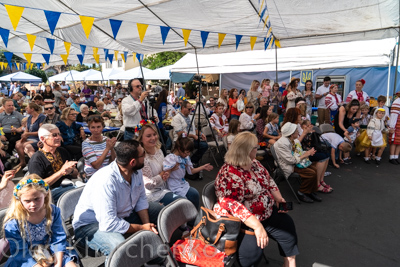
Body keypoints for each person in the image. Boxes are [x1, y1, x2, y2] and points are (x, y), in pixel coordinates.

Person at [214, 132, 298, 267]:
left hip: (266, 212)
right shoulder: (229, 173)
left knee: (288, 228)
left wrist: (278, 197)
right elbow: (233, 206)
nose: (257, 149)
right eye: (255, 147)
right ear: (246, 151)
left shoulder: (254, 163)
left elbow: (269, 181)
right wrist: (257, 226)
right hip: (244, 222)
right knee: (250, 259)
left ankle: (290, 262)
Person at [72, 140, 164, 258]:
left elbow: (141, 199)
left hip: (121, 215)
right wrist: (141, 228)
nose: (145, 157)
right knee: (119, 247)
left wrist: (147, 226)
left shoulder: (136, 170)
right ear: (132, 162)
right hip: (91, 225)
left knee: (160, 211)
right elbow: (108, 223)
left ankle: (152, 256)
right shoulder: (106, 181)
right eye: (143, 155)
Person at [3, 175, 78, 267]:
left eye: (37, 199)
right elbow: (20, 252)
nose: (33, 204)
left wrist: (58, 264)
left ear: (45, 195)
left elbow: (58, 239)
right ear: (19, 200)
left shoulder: (53, 211)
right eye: (27, 201)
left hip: (52, 249)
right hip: (26, 257)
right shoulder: (13, 223)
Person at [28, 124, 78, 203]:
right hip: (49, 193)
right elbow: (36, 186)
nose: (58, 137)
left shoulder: (62, 151)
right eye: (54, 135)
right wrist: (61, 172)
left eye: (59, 134)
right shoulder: (37, 159)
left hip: (68, 186)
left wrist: (71, 170)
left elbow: (75, 174)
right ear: (43, 139)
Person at [274, 122, 321, 203]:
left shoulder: (291, 140)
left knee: (314, 169)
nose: (298, 132)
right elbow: (290, 160)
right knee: (311, 173)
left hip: (294, 162)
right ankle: (302, 192)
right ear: (291, 134)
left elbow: (296, 153)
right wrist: (305, 155)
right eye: (296, 131)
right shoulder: (282, 144)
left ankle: (310, 191)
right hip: (288, 165)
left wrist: (306, 153)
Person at [138, 124, 183, 206]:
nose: (153, 138)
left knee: (193, 194)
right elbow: (149, 185)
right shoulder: (142, 158)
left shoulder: (158, 150)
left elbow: (165, 168)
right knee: (182, 202)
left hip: (167, 185)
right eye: (148, 136)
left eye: (154, 134)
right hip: (154, 192)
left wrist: (168, 172)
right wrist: (164, 173)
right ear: (141, 139)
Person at [163, 135, 212, 209]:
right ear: (179, 149)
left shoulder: (185, 157)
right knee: (184, 203)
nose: (188, 154)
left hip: (182, 183)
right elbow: (166, 175)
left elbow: (191, 171)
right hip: (173, 186)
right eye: (187, 152)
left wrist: (203, 167)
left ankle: (195, 214)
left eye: (189, 152)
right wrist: (171, 169)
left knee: (195, 194)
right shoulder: (170, 158)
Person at [171, 100, 208, 166]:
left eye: (191, 109)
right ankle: (188, 163)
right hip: (181, 140)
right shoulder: (177, 118)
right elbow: (180, 133)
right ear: (183, 108)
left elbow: (195, 129)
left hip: (191, 140)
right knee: (188, 147)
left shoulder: (191, 116)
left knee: (204, 145)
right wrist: (193, 136)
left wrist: (201, 134)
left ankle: (192, 161)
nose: (190, 110)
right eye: (189, 109)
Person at [15, 103, 46, 168]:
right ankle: (22, 162)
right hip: (30, 137)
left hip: (38, 138)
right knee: (18, 145)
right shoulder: (29, 118)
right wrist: (24, 136)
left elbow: (41, 131)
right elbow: (26, 130)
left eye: (27, 108)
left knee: (25, 145)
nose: (26, 109)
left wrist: (28, 134)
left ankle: (37, 163)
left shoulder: (41, 117)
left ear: (32, 109)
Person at [389, 95, 400, 164]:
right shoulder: (397, 101)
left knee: (399, 142)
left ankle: (396, 156)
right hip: (397, 123)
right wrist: (392, 126)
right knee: (394, 141)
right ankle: (391, 157)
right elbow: (394, 115)